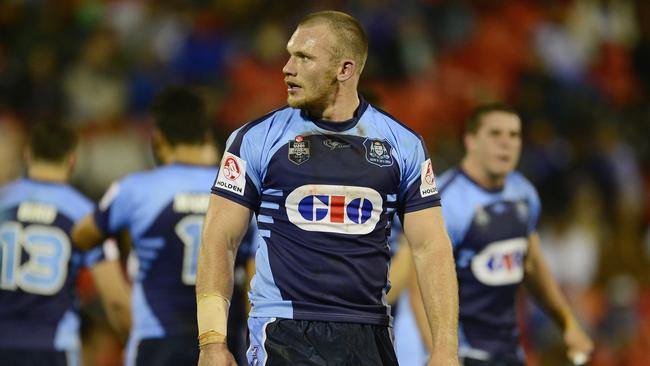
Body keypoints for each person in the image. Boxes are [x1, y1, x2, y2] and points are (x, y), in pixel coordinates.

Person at [196, 10, 459, 366]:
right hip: (283, 331)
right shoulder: (255, 140)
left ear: (345, 69)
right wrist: (212, 341)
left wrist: (445, 348)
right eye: (290, 54)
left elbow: (431, 248)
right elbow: (219, 240)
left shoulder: (403, 145)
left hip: (369, 331)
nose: (287, 68)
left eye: (304, 57)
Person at [407, 104, 594, 365]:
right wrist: (440, 353)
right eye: (495, 134)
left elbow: (531, 264)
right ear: (471, 141)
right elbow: (417, 287)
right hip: (464, 354)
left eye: (514, 135)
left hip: (510, 351)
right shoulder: (446, 201)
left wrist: (568, 322)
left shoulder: (524, 193)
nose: (506, 143)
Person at [72, 86, 236, 366]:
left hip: (157, 338)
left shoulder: (134, 190)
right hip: (224, 339)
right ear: (206, 137)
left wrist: (119, 247)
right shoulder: (238, 191)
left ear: (158, 139)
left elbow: (82, 235)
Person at [0, 122, 130, 366]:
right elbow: (115, 300)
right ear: (72, 160)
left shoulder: (3, 203)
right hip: (53, 346)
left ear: (27, 155)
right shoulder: (85, 215)